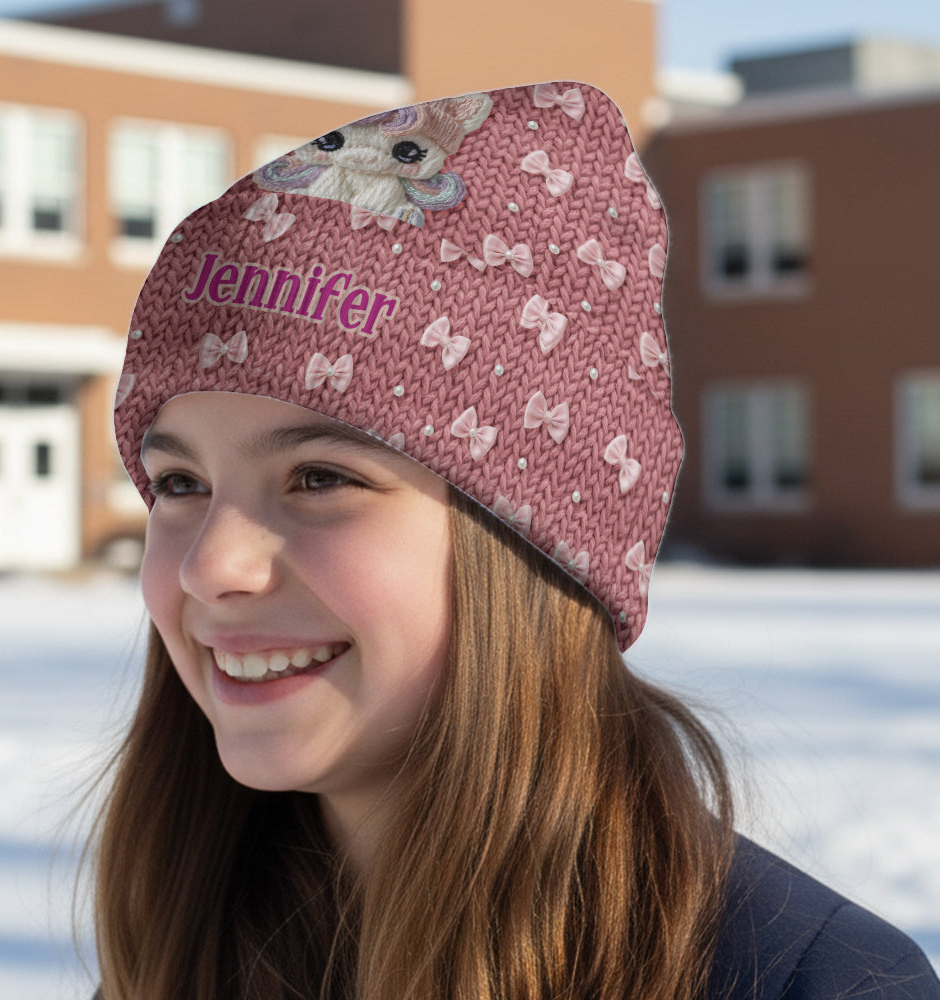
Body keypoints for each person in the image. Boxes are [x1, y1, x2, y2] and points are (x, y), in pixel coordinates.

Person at [101, 82, 939, 1000]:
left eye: (322, 478)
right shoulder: (184, 951)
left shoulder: (811, 984)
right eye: (180, 484)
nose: (211, 565)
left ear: (538, 545)